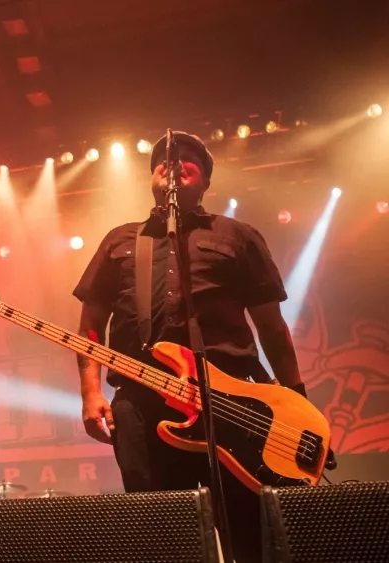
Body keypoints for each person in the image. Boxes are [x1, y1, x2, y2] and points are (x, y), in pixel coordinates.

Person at [73, 132, 304, 562]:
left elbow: (272, 328)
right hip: (142, 402)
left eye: (187, 160)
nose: (172, 164)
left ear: (206, 180)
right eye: (163, 159)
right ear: (152, 177)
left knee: (247, 523)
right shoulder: (120, 241)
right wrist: (90, 393)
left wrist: (296, 397)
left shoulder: (238, 236)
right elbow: (90, 325)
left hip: (232, 398)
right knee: (160, 527)